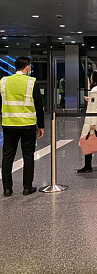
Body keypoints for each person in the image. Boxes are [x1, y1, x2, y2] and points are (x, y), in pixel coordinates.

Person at [1, 57, 44, 196]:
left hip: (8, 124)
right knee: (28, 155)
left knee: (7, 156)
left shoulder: (4, 81)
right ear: (27, 68)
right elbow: (38, 106)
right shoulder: (31, 82)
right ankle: (27, 187)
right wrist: (41, 126)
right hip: (27, 125)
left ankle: (7, 189)